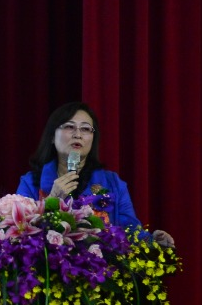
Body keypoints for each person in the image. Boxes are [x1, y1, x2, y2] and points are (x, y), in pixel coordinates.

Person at [16, 102, 174, 248]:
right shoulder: (30, 182)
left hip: (102, 267)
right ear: (52, 136)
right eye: (69, 127)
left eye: (85, 129)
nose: (78, 134)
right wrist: (52, 200)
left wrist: (152, 241)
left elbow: (130, 230)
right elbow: (19, 232)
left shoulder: (113, 183)